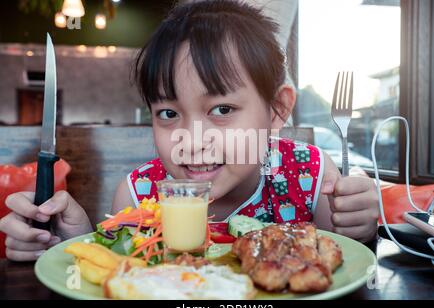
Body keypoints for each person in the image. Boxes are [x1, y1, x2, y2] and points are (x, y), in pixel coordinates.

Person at [0, 0, 380, 261]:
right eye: (168, 113)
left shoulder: (312, 174)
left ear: (277, 110)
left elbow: (345, 261)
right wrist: (72, 241)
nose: (194, 140)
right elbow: (120, 272)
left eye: (222, 109)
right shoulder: (137, 195)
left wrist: (359, 226)